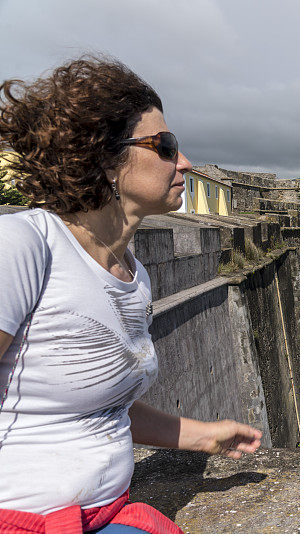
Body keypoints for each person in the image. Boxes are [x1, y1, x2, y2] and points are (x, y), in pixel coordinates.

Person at [0, 56, 262, 533]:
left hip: (102, 516)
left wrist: (202, 436)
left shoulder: (132, 272)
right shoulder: (23, 245)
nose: (184, 162)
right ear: (105, 157)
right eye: (165, 146)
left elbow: (101, 407)